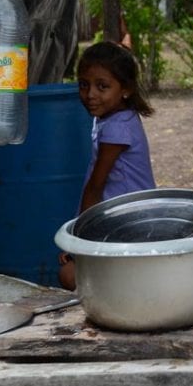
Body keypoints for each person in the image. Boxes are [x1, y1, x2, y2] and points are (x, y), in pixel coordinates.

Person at [58, 41, 155, 289]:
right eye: (84, 85)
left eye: (102, 86)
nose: (90, 94)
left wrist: (77, 239)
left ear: (126, 89)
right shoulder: (113, 117)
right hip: (122, 219)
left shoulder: (116, 127)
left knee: (69, 276)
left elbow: (95, 186)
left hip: (129, 224)